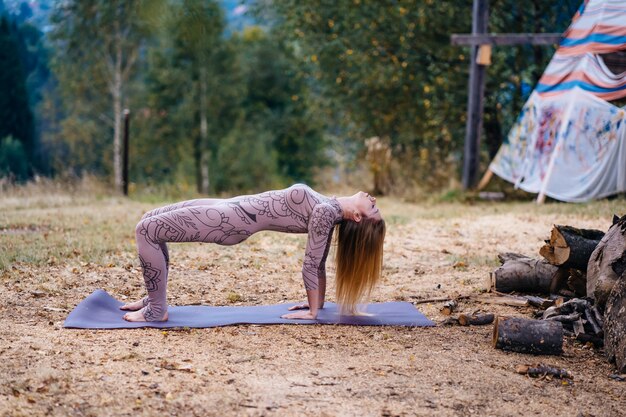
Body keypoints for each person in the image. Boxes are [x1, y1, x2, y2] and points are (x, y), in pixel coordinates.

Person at [120, 183, 385, 322]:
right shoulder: (329, 205)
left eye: (373, 209)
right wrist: (318, 303)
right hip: (227, 207)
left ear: (359, 218)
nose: (373, 201)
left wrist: (313, 312)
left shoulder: (326, 212)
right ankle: (154, 298)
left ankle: (157, 309)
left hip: (228, 222)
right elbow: (320, 263)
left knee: (146, 230)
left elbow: (313, 263)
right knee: (149, 218)